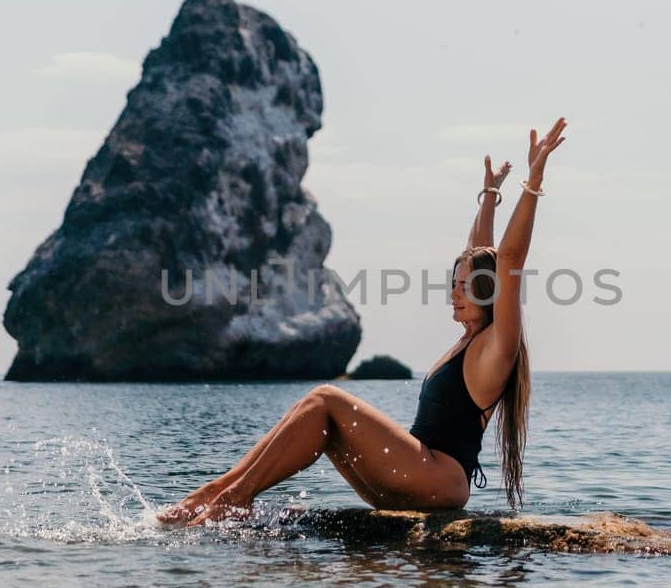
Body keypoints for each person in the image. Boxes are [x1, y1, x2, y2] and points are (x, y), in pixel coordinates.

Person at [155, 117, 567, 526]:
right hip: (418, 475)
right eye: (453, 283)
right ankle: (213, 494)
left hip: (439, 479)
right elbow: (479, 252)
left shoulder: (498, 347)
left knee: (326, 399)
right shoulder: (470, 338)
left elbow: (507, 260)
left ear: (489, 292)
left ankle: (234, 498)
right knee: (316, 411)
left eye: (464, 286)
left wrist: (533, 180)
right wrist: (490, 196)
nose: (453, 293)